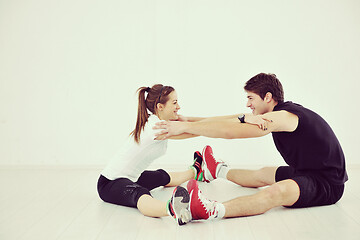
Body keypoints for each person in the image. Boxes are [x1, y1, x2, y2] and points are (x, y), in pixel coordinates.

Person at [154, 73, 348, 221]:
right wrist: (189, 121)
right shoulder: (277, 112)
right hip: (306, 172)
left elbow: (231, 132)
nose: (248, 104)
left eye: (251, 98)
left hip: (327, 184)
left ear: (268, 97)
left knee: (276, 192)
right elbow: (231, 121)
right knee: (264, 174)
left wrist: (186, 127)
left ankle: (211, 209)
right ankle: (216, 170)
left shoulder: (283, 117)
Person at [97, 84, 205, 225]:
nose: (178, 106)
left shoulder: (159, 122)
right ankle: (172, 208)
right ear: (160, 106)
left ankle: (196, 171)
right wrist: (220, 128)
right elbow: (192, 130)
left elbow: (192, 125)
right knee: (140, 193)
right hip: (110, 183)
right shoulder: (155, 127)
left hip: (131, 178)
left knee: (160, 176)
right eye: (174, 102)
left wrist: (220, 123)